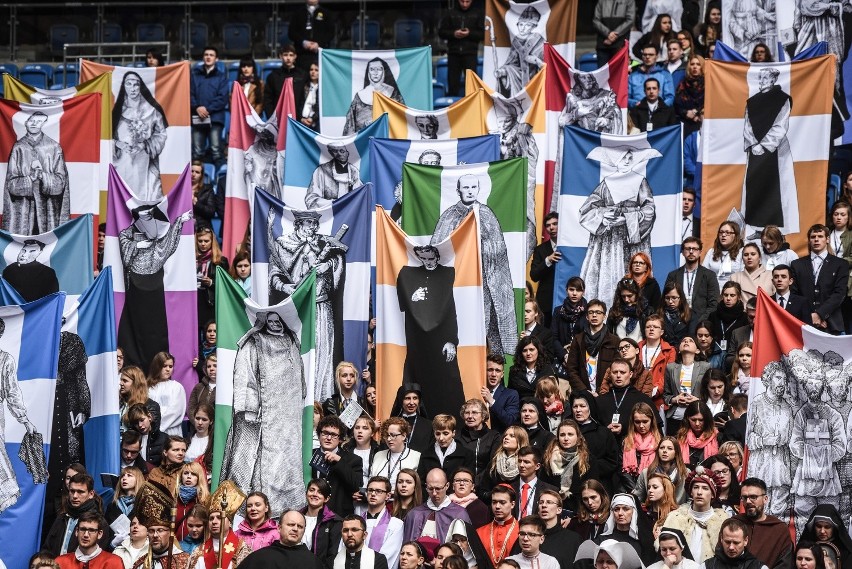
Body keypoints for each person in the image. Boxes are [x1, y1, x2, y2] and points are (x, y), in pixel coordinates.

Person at [220, 310, 307, 517]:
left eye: (279, 320)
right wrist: (249, 406)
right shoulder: (254, 342)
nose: (276, 324)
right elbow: (244, 375)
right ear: (264, 322)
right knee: (255, 461)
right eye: (271, 321)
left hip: (286, 416)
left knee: (286, 461)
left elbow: (299, 377)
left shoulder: (292, 341)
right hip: (261, 414)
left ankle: (286, 509)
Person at [431, 173, 517, 357]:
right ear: (458, 190)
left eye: (473, 187)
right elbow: (438, 248)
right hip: (457, 284)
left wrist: (478, 247)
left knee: (486, 328)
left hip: (484, 282)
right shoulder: (449, 216)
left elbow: (498, 250)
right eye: (465, 187)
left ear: (478, 189)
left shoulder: (486, 214)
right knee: (458, 326)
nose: (470, 191)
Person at [267, 209, 345, 400]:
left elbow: (339, 257)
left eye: (315, 224)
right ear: (299, 224)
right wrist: (286, 287)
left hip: (321, 305)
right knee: (296, 352)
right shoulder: (283, 244)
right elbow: (274, 273)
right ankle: (295, 397)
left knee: (321, 351)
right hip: (297, 308)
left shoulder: (323, 242)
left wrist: (329, 265)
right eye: (309, 223)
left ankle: (320, 397)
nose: (313, 227)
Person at [578, 146, 659, 305]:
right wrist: (603, 215)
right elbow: (587, 209)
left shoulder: (640, 181)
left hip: (632, 238)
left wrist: (627, 219)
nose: (628, 161)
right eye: (624, 158)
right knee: (609, 275)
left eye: (630, 158)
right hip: (609, 242)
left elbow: (649, 210)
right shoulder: (606, 183)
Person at [117, 203, 191, 370]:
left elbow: (167, 244)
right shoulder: (128, 233)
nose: (146, 220)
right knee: (133, 330)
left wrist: (179, 221)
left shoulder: (158, 231)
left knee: (156, 330)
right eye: (143, 217)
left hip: (155, 286)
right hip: (135, 287)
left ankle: (156, 369)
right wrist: (136, 246)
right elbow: (124, 249)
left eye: (149, 216)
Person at [396, 245, 466, 417]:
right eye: (423, 259)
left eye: (430, 258)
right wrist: (413, 298)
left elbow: (454, 310)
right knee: (417, 381)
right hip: (418, 343)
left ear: (437, 256)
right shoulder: (408, 275)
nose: (427, 262)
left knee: (446, 384)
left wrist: (451, 340)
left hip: (441, 341)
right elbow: (401, 306)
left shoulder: (448, 274)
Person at [742, 67, 797, 237]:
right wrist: (754, 145)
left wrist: (765, 145)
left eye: (766, 78)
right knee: (755, 187)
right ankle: (757, 229)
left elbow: (781, 125)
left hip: (776, 151)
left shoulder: (782, 99)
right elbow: (747, 126)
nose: (762, 81)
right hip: (756, 152)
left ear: (773, 79)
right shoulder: (752, 101)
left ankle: (775, 232)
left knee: (776, 189)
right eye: (761, 78)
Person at [2, 111, 69, 235]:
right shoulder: (18, 147)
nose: (34, 124)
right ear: (26, 123)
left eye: (38, 121)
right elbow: (11, 185)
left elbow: (61, 183)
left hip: (48, 212)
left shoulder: (54, 147)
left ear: (44, 123)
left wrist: (43, 176)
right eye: (31, 121)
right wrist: (30, 178)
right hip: (23, 215)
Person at [112, 71, 167, 201]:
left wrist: (144, 145)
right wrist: (118, 144)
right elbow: (104, 138)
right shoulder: (117, 112)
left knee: (149, 198)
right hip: (121, 162)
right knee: (122, 199)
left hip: (145, 161)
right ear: (124, 86)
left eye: (136, 85)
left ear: (140, 86)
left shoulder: (152, 110)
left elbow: (161, 134)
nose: (133, 88)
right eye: (129, 84)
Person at [791, 224, 850, 334]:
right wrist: (810, 316)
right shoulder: (797, 264)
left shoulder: (840, 264)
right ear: (809, 241)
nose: (816, 239)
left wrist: (820, 314)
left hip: (832, 323)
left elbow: (840, 293)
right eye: (813, 237)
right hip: (803, 323)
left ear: (827, 239)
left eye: (820, 236)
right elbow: (795, 294)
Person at [662, 467, 729, 562]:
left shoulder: (723, 521)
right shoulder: (675, 518)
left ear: (713, 494)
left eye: (705, 488)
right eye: (696, 487)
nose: (699, 492)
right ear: (691, 492)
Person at [733, 477, 792, 569]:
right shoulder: (734, 523)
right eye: (744, 497)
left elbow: (785, 564)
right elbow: (721, 556)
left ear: (765, 499)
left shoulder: (779, 529)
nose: (748, 501)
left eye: (753, 497)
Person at [187, 487, 251, 569]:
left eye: (219, 517)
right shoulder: (198, 552)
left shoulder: (242, 549)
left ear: (230, 523)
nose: (214, 521)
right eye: (211, 518)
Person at [312, 416, 364, 517]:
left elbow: (357, 485)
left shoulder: (353, 460)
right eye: (325, 433)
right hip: (311, 513)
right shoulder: (309, 456)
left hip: (338, 516)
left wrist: (339, 462)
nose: (328, 438)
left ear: (340, 439)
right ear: (319, 435)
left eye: (334, 435)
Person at [45, 473, 110, 555]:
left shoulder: (99, 523)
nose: (75, 496)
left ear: (91, 494)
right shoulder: (62, 517)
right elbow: (47, 548)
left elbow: (96, 558)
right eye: (72, 491)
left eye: (80, 492)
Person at [569, 392, 620, 495]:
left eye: (582, 406)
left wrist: (588, 466)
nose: (578, 410)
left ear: (590, 408)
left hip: (599, 485)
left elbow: (612, 461)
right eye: (575, 406)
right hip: (571, 486)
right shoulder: (567, 431)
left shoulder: (603, 433)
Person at [541, 419, 597, 513]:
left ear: (578, 437)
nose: (566, 438)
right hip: (553, 510)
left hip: (580, 511)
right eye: (562, 435)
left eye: (570, 434)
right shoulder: (548, 459)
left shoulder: (588, 460)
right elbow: (544, 487)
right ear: (557, 437)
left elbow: (592, 489)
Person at [566, 300, 620, 395]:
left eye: (598, 312)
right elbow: (571, 369)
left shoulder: (614, 341)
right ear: (587, 316)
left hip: (606, 393)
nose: (594, 315)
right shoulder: (578, 339)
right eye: (591, 312)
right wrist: (584, 391)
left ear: (604, 316)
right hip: (583, 394)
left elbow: (616, 370)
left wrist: (602, 390)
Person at [239, 510, 326, 569]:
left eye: (300, 526)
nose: (295, 529)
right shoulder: (259, 557)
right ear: (279, 528)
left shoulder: (313, 563)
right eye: (291, 524)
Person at [402, 468, 471, 541]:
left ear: (447, 486)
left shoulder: (459, 514)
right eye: (430, 488)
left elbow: (464, 547)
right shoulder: (414, 514)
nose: (434, 493)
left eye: (438, 488)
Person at [190, 47, 229, 169]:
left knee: (216, 151)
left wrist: (207, 110)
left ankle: (220, 182)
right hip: (197, 117)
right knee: (197, 152)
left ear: (216, 59)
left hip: (215, 118)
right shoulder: (194, 75)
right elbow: (189, 94)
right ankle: (196, 184)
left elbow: (222, 98)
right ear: (203, 57)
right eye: (206, 54)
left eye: (211, 55)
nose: (208, 57)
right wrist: (197, 107)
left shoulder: (221, 76)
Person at [494, 6, 545, 97]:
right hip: (518, 79)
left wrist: (537, 61)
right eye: (521, 24)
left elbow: (546, 65)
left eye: (527, 25)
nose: (523, 28)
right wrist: (503, 70)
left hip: (535, 79)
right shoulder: (516, 41)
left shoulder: (539, 41)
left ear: (533, 27)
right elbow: (512, 63)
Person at [344, 57, 404, 135]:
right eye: (372, 69)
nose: (375, 73)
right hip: (365, 140)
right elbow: (350, 125)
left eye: (379, 69)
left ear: (384, 71)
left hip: (387, 139)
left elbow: (402, 118)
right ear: (368, 72)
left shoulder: (394, 94)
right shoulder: (359, 96)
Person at [666, 237, 720, 323]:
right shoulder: (673, 275)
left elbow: (714, 304)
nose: (691, 251)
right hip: (677, 322)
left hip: (701, 323)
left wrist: (700, 321)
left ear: (700, 252)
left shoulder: (709, 275)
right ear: (683, 252)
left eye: (694, 249)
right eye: (688, 249)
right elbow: (667, 300)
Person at [55, 512, 124, 569]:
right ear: (76, 531)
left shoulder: (113, 562)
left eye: (91, 530)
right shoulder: (61, 562)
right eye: (82, 529)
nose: (86, 535)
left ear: (99, 534)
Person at [458, 401, 501, 492]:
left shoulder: (494, 436)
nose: (470, 416)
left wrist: (475, 483)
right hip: (461, 488)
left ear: (483, 416)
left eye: (474, 412)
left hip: (485, 487)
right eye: (467, 413)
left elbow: (493, 464)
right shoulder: (456, 437)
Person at [362, 476, 404, 568]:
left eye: (378, 491)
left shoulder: (395, 525)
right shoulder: (355, 522)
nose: (373, 494)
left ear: (388, 496)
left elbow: (388, 557)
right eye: (370, 490)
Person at [632, 435, 688, 504]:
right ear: (658, 451)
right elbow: (637, 498)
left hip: (678, 512)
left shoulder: (685, 473)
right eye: (662, 448)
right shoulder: (646, 472)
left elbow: (691, 500)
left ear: (676, 452)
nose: (665, 451)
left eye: (669, 448)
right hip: (653, 512)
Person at [300, 479, 343, 567]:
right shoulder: (296, 517)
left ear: (326, 498)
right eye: (312, 490)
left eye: (320, 492)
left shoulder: (334, 521)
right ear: (306, 493)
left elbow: (333, 555)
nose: (314, 494)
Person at [305, 143, 362, 209]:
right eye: (335, 151)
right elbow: (311, 199)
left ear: (347, 153)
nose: (339, 154)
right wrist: (334, 204)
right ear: (330, 153)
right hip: (329, 214)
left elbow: (359, 197)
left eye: (342, 151)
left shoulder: (354, 172)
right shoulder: (321, 171)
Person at [370, 418, 422, 491]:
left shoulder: (416, 456)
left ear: (404, 436)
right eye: (387, 435)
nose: (389, 439)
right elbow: (371, 480)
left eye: (393, 435)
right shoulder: (378, 455)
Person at [476, 483, 520, 566]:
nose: (497, 506)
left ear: (512, 504)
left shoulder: (522, 530)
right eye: (494, 502)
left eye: (502, 502)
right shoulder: (479, 532)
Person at [530, 213, 559, 328]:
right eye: (548, 225)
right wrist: (548, 260)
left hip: (568, 302)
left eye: (555, 224)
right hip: (545, 304)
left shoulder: (571, 247)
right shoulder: (540, 250)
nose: (551, 227)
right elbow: (534, 275)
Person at [289, 0, 335, 71]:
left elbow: (331, 33)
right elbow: (291, 33)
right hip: (301, 55)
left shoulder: (326, 13)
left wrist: (319, 44)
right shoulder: (297, 13)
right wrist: (303, 42)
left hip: (320, 54)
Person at [703, 222, 745, 291]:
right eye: (721, 232)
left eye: (727, 232)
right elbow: (704, 274)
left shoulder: (741, 252)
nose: (723, 235)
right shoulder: (711, 252)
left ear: (735, 235)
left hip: (733, 292)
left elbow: (743, 275)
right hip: (712, 291)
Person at [296, 63, 320, 131]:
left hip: (316, 123)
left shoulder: (322, 88)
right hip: (303, 121)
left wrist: (313, 118)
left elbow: (321, 107)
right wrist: (301, 118)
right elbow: (299, 104)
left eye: (316, 70)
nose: (313, 72)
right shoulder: (304, 86)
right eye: (311, 69)